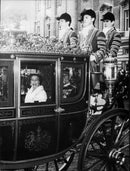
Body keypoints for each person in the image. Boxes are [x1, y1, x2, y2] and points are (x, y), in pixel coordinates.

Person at [78, 9, 106, 90]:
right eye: (84, 18)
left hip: (93, 68)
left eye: (86, 17)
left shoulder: (98, 33)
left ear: (92, 19)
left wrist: (94, 57)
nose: (84, 19)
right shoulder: (80, 34)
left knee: (94, 90)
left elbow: (103, 50)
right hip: (80, 67)